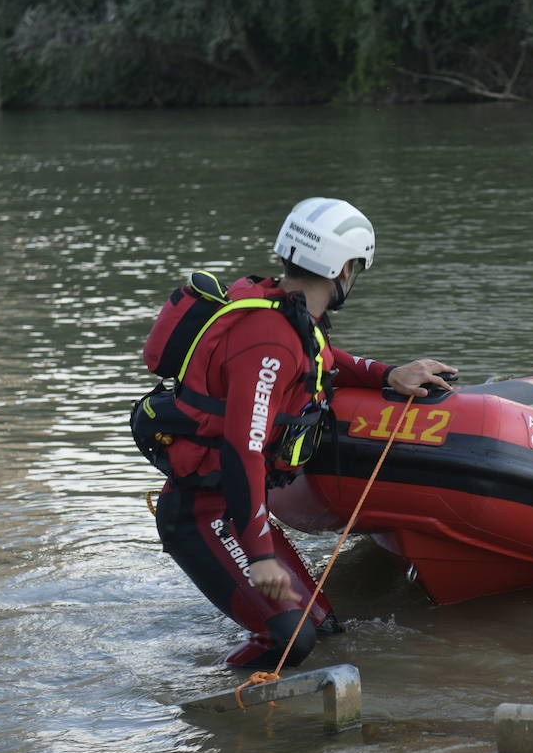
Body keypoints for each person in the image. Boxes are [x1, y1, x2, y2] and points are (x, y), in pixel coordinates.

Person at [148, 197, 456, 671]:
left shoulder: (285, 312)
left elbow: (325, 358)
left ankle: (293, 714)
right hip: (202, 513)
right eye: (356, 267)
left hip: (229, 508)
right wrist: (260, 556)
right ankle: (225, 708)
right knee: (290, 639)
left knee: (327, 631)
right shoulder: (269, 339)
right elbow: (242, 449)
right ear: (343, 269)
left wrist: (389, 373)